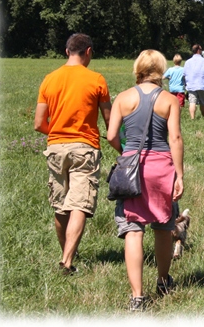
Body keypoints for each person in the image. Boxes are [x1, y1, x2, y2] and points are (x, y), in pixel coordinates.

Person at [106, 50, 184, 312]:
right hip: (162, 168)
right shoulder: (169, 100)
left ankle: (137, 296)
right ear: (161, 70)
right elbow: (175, 139)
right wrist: (180, 174)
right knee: (163, 226)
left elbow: (111, 135)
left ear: (137, 68)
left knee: (133, 229)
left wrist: (126, 154)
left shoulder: (123, 98)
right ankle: (163, 281)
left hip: (133, 167)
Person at [34, 33, 112, 276]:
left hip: (56, 147)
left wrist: (57, 132)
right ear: (88, 51)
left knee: (60, 206)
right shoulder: (97, 79)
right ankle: (67, 261)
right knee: (79, 204)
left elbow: (38, 123)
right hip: (85, 148)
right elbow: (109, 120)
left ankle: (67, 254)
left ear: (67, 51)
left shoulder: (49, 79)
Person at [183, 44, 204, 119]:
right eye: (201, 49)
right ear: (198, 50)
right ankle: (203, 115)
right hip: (202, 84)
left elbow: (184, 74)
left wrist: (185, 84)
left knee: (192, 102)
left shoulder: (187, 62)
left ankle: (192, 118)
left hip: (191, 84)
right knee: (203, 102)